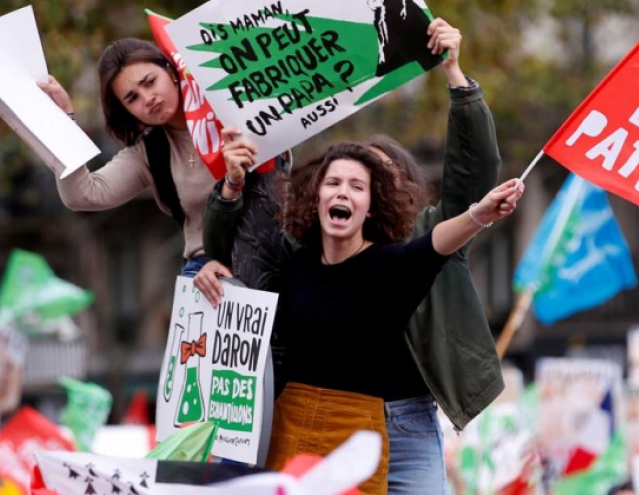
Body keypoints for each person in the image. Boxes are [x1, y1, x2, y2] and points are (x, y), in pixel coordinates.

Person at [198, 18, 503, 494]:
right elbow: (245, 248)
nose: (350, 190)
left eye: (368, 182)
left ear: (393, 193)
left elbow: (476, 177)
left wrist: (456, 78)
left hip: (406, 423)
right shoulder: (307, 251)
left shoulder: (429, 238)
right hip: (312, 418)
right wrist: (224, 216)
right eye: (337, 180)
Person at [201, 142, 523, 494]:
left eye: (357, 187)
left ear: (370, 207)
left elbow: (437, 243)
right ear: (316, 196)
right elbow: (243, 255)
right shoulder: (294, 263)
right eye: (333, 183)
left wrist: (480, 214)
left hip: (358, 436)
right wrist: (217, 268)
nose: (343, 192)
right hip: (290, 424)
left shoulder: (393, 265)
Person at [37, 38, 218, 277]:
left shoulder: (229, 108)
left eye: (150, 82)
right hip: (207, 279)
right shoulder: (150, 153)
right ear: (126, 110)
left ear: (171, 71)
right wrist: (64, 122)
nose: (148, 98)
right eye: (132, 98)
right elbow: (81, 194)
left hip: (272, 257)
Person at [308, 0, 441, 76]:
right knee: (394, 49)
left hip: (396, 18)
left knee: (419, 50)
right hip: (384, 19)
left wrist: (404, 7)